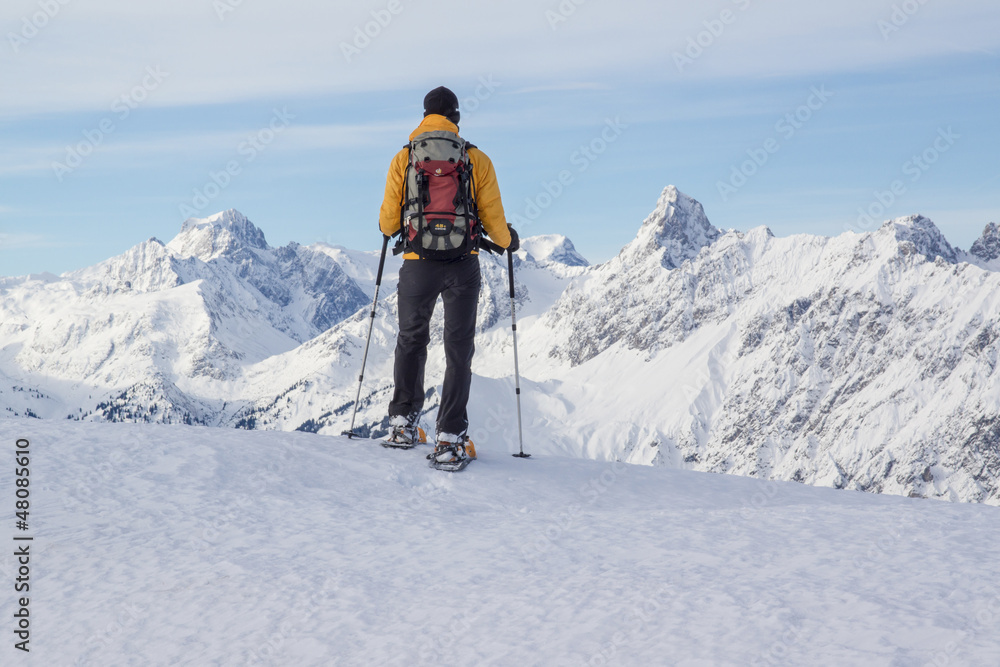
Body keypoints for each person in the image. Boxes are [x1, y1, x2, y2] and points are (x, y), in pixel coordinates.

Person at [378, 86, 519, 463]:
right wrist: (508, 241)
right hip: (462, 263)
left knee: (411, 339)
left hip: (416, 263)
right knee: (458, 350)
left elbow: (387, 222)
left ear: (423, 117)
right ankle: (450, 436)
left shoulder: (403, 159)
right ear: (456, 117)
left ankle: (402, 424)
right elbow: (492, 217)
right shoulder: (476, 159)